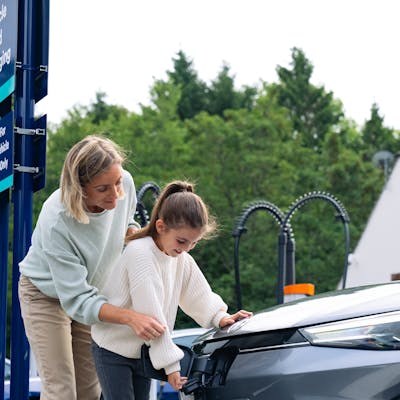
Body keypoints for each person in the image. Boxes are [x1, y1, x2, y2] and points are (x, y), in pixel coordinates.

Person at [18, 135, 166, 400]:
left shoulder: (125, 184)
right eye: (103, 189)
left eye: (117, 182)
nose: (116, 194)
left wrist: (140, 238)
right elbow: (77, 300)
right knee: (61, 391)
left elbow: (125, 221)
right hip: (46, 296)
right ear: (81, 187)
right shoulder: (58, 220)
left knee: (90, 391)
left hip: (93, 292)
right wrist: (130, 317)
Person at [91, 180, 252, 400]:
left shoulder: (180, 257)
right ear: (160, 226)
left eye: (193, 243)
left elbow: (198, 295)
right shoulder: (141, 253)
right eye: (182, 241)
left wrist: (220, 317)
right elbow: (151, 315)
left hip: (140, 352)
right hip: (111, 347)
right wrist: (171, 366)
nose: (186, 249)